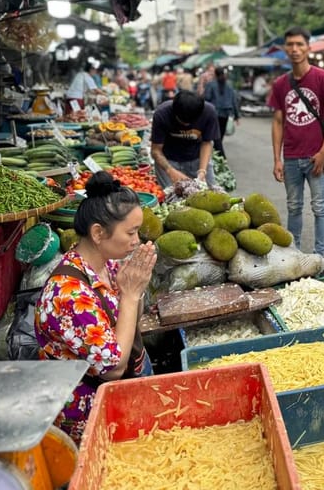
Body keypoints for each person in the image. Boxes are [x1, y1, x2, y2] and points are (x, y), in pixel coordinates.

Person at [34, 172, 157, 444]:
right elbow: (112, 367)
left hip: (120, 393)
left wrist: (134, 291)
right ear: (99, 233)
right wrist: (130, 296)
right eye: (131, 232)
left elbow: (128, 321)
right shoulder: (69, 295)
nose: (136, 240)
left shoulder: (107, 264)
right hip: (90, 416)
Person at [268, 27, 324, 256]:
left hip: (315, 156)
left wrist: (323, 151)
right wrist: (276, 159)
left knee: (320, 208)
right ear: (285, 49)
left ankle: (320, 257)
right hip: (290, 158)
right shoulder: (281, 84)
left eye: (300, 44)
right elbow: (278, 121)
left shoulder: (323, 78)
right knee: (293, 208)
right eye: (290, 45)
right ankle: (295, 255)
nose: (295, 49)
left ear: (309, 47)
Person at [151, 90, 220, 187]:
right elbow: (156, 150)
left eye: (191, 121)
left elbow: (207, 143)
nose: (187, 124)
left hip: (197, 158)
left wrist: (202, 171)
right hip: (168, 159)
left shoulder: (209, 112)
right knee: (170, 196)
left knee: (210, 191)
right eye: (182, 121)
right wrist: (170, 171)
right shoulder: (162, 114)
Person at [204, 66, 240, 157]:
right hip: (225, 114)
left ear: (215, 74)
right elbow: (234, 100)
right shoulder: (229, 85)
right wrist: (237, 116)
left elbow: (207, 98)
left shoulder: (210, 85)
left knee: (215, 135)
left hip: (213, 113)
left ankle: (220, 155)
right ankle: (218, 154)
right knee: (220, 135)